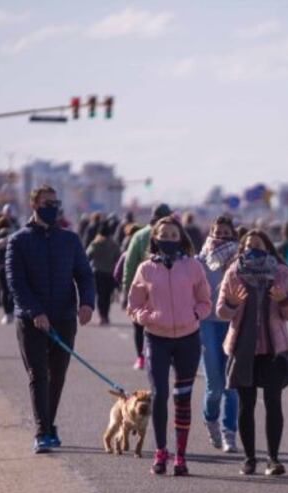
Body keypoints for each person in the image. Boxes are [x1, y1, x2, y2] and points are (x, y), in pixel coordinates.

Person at [6, 185, 95, 454]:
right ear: (34, 205)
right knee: (38, 375)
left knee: (57, 375)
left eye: (55, 202)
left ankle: (49, 422)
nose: (52, 207)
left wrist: (87, 303)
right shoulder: (18, 241)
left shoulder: (69, 240)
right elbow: (15, 282)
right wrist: (35, 312)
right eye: (47, 202)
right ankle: (42, 431)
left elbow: (84, 274)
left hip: (64, 317)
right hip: (31, 321)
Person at [127, 215, 211, 476]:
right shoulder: (146, 269)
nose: (169, 240)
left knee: (182, 398)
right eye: (164, 235)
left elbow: (205, 301)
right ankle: (161, 451)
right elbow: (134, 305)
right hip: (157, 339)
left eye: (174, 236)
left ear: (181, 239)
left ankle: (181, 456)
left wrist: (195, 315)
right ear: (155, 238)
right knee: (160, 395)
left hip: (188, 339)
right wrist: (147, 317)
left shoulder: (193, 267)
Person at [217, 229, 288, 476]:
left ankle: (273, 459)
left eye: (258, 244)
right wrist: (231, 303)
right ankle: (249, 458)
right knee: (247, 404)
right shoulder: (234, 273)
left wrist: (284, 299)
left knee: (274, 403)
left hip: (273, 349)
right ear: (241, 249)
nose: (253, 248)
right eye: (248, 245)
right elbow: (221, 311)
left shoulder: (282, 273)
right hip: (244, 348)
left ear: (268, 247)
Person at [196, 215, 241, 453]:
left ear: (233, 235)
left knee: (231, 385)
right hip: (208, 326)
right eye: (218, 232)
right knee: (214, 386)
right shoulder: (199, 261)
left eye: (226, 233)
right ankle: (210, 420)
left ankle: (229, 432)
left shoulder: (239, 261)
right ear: (211, 233)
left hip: (232, 325)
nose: (221, 237)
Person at [122, 203, 174, 370]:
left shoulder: (139, 235)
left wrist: (127, 289)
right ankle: (165, 358)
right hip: (164, 289)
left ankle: (141, 357)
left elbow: (129, 265)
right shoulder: (174, 235)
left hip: (141, 288)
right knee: (162, 323)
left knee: (139, 324)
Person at [86, 221, 120, 325]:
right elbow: (118, 258)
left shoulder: (95, 243)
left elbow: (87, 256)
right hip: (110, 273)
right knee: (107, 296)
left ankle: (102, 316)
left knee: (100, 296)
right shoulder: (114, 244)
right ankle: (106, 315)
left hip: (98, 273)